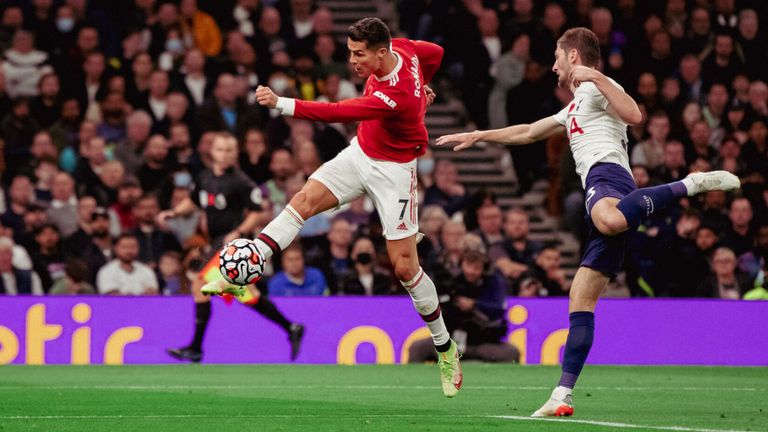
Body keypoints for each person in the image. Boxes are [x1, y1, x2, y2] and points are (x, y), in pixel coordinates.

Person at [436, 27, 740, 416]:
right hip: (605, 188)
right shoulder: (575, 105)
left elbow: (635, 114)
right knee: (580, 297)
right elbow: (529, 131)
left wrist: (597, 76)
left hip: (608, 177)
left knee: (610, 220)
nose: (553, 66)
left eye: (557, 57)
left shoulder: (598, 86)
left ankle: (690, 183)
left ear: (574, 56)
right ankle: (562, 394)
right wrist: (480, 135)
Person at [217, 17, 461, 397]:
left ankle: (445, 348)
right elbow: (437, 53)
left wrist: (281, 103)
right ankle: (244, 269)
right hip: (361, 153)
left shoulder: (396, 93)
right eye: (349, 52)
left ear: (382, 53)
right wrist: (425, 81)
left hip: (394, 172)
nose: (352, 61)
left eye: (359, 54)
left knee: (404, 268)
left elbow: (337, 112)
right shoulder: (407, 48)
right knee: (303, 200)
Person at [158, 132, 304, 363]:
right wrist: (174, 212)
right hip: (216, 242)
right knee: (246, 294)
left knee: (200, 285)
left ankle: (195, 348)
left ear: (236, 153)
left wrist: (237, 231)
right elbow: (194, 201)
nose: (224, 154)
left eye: (229, 150)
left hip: (236, 248)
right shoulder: (204, 178)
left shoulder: (241, 181)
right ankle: (291, 327)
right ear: (212, 152)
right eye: (220, 149)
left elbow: (258, 212)